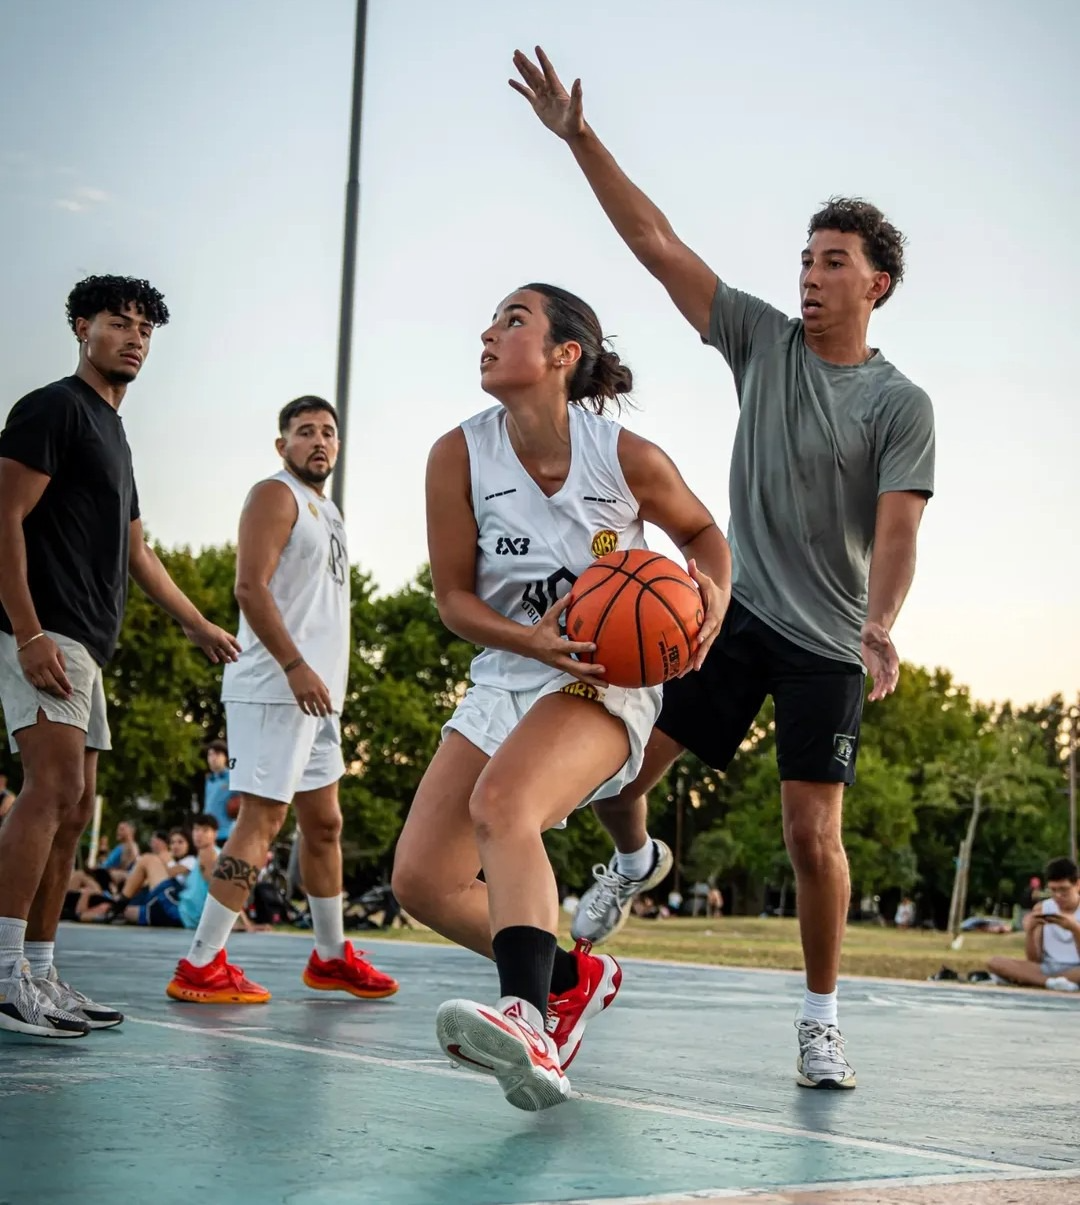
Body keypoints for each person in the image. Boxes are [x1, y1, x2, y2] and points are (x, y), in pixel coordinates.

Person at [511, 49, 936, 1090]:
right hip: (725, 613)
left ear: (875, 283)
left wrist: (881, 621)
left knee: (810, 832)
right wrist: (579, 138)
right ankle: (633, 860)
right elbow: (656, 243)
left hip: (827, 640)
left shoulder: (900, 404)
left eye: (833, 260)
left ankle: (821, 1020)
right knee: (616, 777)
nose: (810, 274)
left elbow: (896, 531)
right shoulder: (761, 339)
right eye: (806, 257)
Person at [391, 283, 730, 1111]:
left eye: (513, 320)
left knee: (504, 803)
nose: (488, 332)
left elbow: (702, 535)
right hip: (512, 667)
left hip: (603, 677)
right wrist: (529, 640)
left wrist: (713, 597)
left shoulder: (624, 456)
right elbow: (453, 600)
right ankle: (574, 978)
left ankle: (529, 1021)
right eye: (491, 319)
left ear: (562, 354)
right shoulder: (458, 455)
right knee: (422, 880)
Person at [0, 274, 240, 1039]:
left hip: (89, 643)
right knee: (51, 788)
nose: (134, 337)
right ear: (82, 327)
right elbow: (3, 515)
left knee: (75, 807)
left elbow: (139, 551)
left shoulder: (116, 434)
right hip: (47, 629)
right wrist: (28, 631)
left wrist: (197, 622)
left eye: (145, 328)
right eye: (118, 322)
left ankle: (39, 969)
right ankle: (3, 975)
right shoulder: (54, 408)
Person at [165, 396, 397, 1004]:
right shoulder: (275, 494)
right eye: (305, 431)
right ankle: (200, 963)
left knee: (325, 824)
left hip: (317, 697)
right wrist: (295, 666)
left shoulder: (329, 510)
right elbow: (249, 587)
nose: (319, 441)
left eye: (328, 432)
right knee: (262, 821)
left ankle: (330, 955)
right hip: (276, 686)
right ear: (282, 444)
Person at [987, 858, 1080, 993]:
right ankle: (1051, 983)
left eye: (1064, 890)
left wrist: (1075, 929)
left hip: (1076, 969)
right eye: (1053, 890)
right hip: (1047, 968)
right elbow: (1034, 960)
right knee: (995, 962)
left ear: (1077, 885)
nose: (1058, 895)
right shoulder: (1042, 909)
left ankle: (1031, 980)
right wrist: (1030, 931)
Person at [201, 739, 237, 844]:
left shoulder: (233, 777)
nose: (213, 758)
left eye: (217, 754)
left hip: (226, 834)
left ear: (225, 757)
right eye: (210, 754)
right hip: (209, 834)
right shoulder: (209, 779)